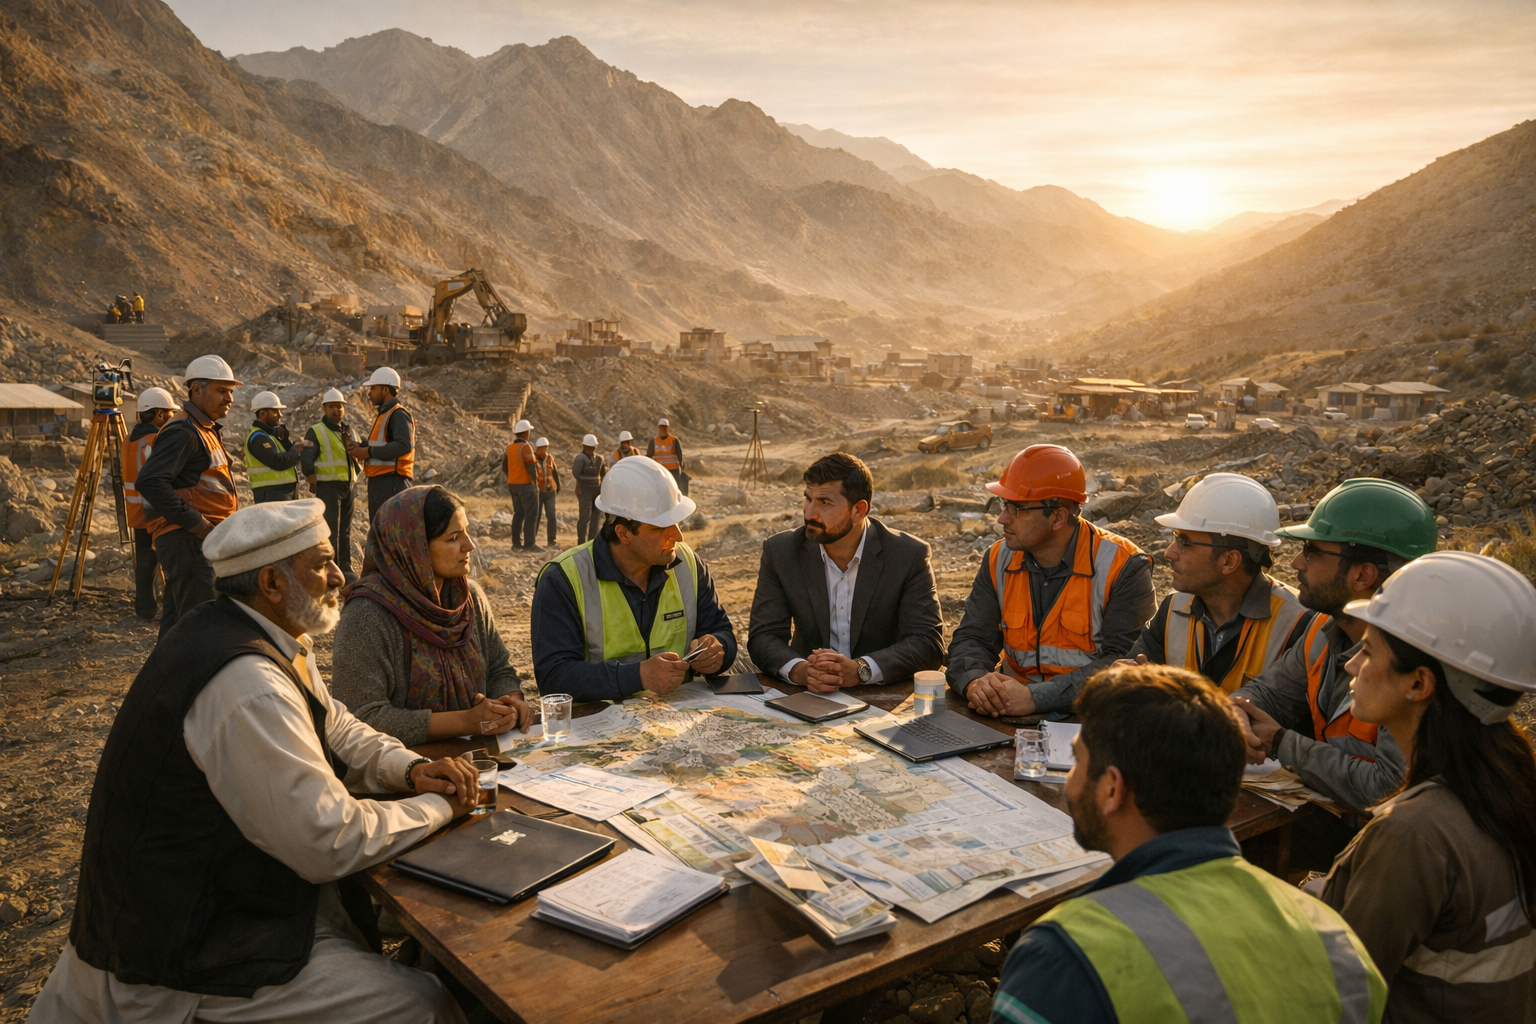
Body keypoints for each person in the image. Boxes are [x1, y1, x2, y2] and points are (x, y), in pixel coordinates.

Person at [29, 500, 475, 1024]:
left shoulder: (259, 634)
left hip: (236, 905)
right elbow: (331, 839)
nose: (339, 575)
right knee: (420, 1007)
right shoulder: (247, 684)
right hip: (187, 957)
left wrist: (410, 769)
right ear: (271, 583)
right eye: (322, 563)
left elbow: (338, 725)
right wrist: (439, 806)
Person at [991, 663, 1387, 1024]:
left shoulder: (1064, 955)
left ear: (1113, 788)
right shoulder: (1340, 944)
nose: (1072, 780)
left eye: (1077, 761)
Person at [1316, 551, 1536, 1024]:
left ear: (1419, 683)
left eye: (1370, 651)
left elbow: (1334, 996)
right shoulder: (1511, 785)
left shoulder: (1414, 835)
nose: (1352, 666)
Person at [1230, 478, 1438, 818]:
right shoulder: (1323, 631)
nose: (1297, 562)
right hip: (1343, 816)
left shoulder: (1414, 666)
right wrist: (1236, 714)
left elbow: (1388, 789)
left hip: (1389, 837)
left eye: (1311, 551)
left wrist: (1283, 744)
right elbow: (1267, 694)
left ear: (1362, 576)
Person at [946, 445, 1154, 718]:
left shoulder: (1123, 565)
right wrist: (975, 682)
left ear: (1058, 517)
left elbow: (1122, 666)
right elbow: (973, 638)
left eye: (1017, 508)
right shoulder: (998, 558)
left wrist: (1036, 697)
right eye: (1003, 505)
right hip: (1008, 714)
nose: (1002, 518)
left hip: (1089, 719)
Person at [332, 486, 533, 745]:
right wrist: (465, 721)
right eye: (453, 538)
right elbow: (361, 718)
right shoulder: (366, 616)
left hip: (481, 757)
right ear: (413, 549)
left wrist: (511, 701)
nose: (469, 545)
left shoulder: (469, 598)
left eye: (467, 532)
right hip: (404, 767)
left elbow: (498, 669)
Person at [531, 456, 737, 703]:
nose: (678, 535)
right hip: (600, 730)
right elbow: (554, 679)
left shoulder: (689, 565)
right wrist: (637, 676)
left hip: (680, 721)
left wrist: (718, 650)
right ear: (623, 533)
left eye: (677, 522)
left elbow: (721, 631)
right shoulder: (563, 579)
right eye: (661, 528)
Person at [748, 451, 943, 691]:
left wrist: (862, 669)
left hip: (882, 697)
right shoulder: (781, 552)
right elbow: (763, 636)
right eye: (808, 499)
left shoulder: (908, 555)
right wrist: (801, 671)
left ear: (859, 510)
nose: (809, 513)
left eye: (825, 503)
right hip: (810, 695)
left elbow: (928, 644)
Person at [1126, 473, 1312, 690]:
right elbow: (1134, 675)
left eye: (1184, 542)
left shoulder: (1298, 624)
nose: (1169, 553)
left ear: (1229, 561)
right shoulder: (1172, 610)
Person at [137, 355, 242, 637]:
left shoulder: (202, 429)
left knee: (178, 627)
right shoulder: (184, 431)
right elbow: (150, 482)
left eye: (231, 391)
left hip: (194, 540)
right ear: (196, 390)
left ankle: (163, 680)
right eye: (222, 390)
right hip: (189, 540)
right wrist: (199, 525)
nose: (229, 398)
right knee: (202, 628)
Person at [121, 386, 175, 620]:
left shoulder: (128, 439)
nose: (172, 418)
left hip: (135, 512)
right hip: (155, 512)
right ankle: (173, 609)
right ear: (159, 414)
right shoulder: (154, 440)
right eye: (170, 413)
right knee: (171, 560)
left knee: (144, 563)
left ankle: (145, 609)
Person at [302, 387, 361, 581]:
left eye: (340, 407)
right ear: (324, 409)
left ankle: (345, 566)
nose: (337, 410)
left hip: (348, 485)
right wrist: (311, 478)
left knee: (345, 529)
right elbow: (307, 457)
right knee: (330, 528)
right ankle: (330, 567)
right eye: (332, 407)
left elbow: (358, 451)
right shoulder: (316, 430)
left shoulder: (348, 430)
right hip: (328, 486)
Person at [347, 367, 413, 522]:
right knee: (380, 530)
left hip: (392, 483)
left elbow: (403, 445)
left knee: (389, 531)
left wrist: (368, 452)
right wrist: (360, 445)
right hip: (381, 482)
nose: (370, 392)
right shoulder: (385, 414)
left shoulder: (398, 414)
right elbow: (381, 444)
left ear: (385, 389)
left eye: (373, 388)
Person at [244, 391, 313, 504]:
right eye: (275, 411)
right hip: (271, 494)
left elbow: (287, 459)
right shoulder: (257, 437)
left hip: (282, 493)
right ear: (262, 413)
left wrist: (286, 442)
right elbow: (278, 462)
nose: (280, 415)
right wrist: (296, 450)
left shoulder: (270, 436)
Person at [505, 418, 538, 550]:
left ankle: (516, 544)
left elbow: (504, 467)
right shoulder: (526, 447)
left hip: (513, 485)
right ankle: (529, 544)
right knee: (531, 514)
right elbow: (531, 467)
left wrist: (512, 477)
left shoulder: (510, 448)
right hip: (525, 485)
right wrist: (535, 483)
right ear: (525, 433)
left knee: (518, 514)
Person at [573, 432, 605, 544]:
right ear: (585, 447)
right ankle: (581, 542)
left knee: (596, 517)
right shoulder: (580, 458)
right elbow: (576, 474)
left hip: (596, 490)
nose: (592, 449)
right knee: (585, 517)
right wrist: (588, 480)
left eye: (593, 447)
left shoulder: (599, 459)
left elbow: (603, 474)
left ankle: (592, 541)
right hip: (584, 490)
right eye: (590, 447)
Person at [532, 436, 561, 549]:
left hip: (550, 490)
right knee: (536, 515)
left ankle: (551, 540)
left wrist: (558, 485)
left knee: (551, 515)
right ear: (538, 448)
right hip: (538, 491)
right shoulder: (533, 458)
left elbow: (554, 472)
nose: (545, 450)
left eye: (546, 448)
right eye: (543, 448)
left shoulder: (549, 458)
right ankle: (532, 540)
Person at [648, 417, 685, 493]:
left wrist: (681, 464)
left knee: (673, 490)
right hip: (658, 471)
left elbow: (679, 454)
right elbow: (648, 456)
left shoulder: (674, 440)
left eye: (664, 427)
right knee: (659, 491)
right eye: (661, 427)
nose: (663, 428)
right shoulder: (653, 441)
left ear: (668, 427)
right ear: (658, 427)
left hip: (673, 471)